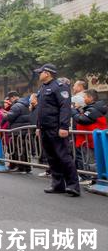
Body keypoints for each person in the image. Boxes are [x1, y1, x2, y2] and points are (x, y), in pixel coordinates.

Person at [34, 64, 80, 197]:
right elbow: (41, 110)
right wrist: (38, 126)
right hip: (44, 128)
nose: (39, 74)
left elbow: (65, 108)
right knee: (52, 157)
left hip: (56, 128)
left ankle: (73, 186)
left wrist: (64, 127)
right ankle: (58, 185)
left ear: (47, 73)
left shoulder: (59, 86)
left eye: (40, 72)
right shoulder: (42, 88)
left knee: (64, 156)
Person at [72, 89, 107, 186]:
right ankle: (96, 179)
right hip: (91, 139)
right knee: (93, 160)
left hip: (91, 140)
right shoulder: (94, 108)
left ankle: (96, 180)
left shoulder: (93, 109)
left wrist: (74, 112)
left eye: (84, 97)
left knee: (92, 161)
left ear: (90, 98)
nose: (83, 99)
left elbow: (83, 120)